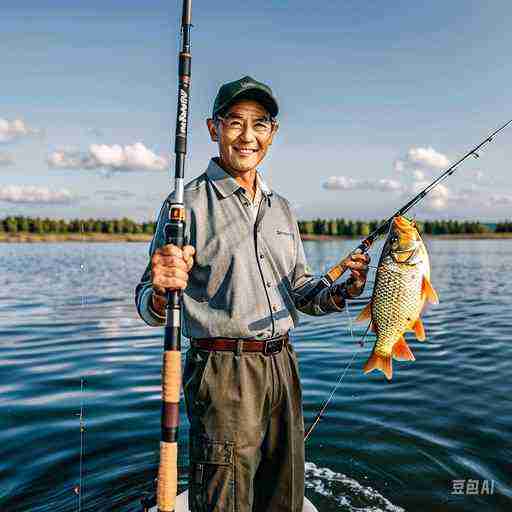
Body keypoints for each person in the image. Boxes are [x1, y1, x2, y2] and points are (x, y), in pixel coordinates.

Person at [135, 76, 370, 512]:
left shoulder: (281, 208)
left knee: (285, 490)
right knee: (227, 499)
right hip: (222, 372)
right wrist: (160, 291)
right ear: (212, 128)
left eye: (260, 124)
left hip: (284, 365)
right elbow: (148, 301)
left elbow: (300, 292)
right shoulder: (183, 204)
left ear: (272, 134)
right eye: (235, 123)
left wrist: (341, 292)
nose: (248, 136)